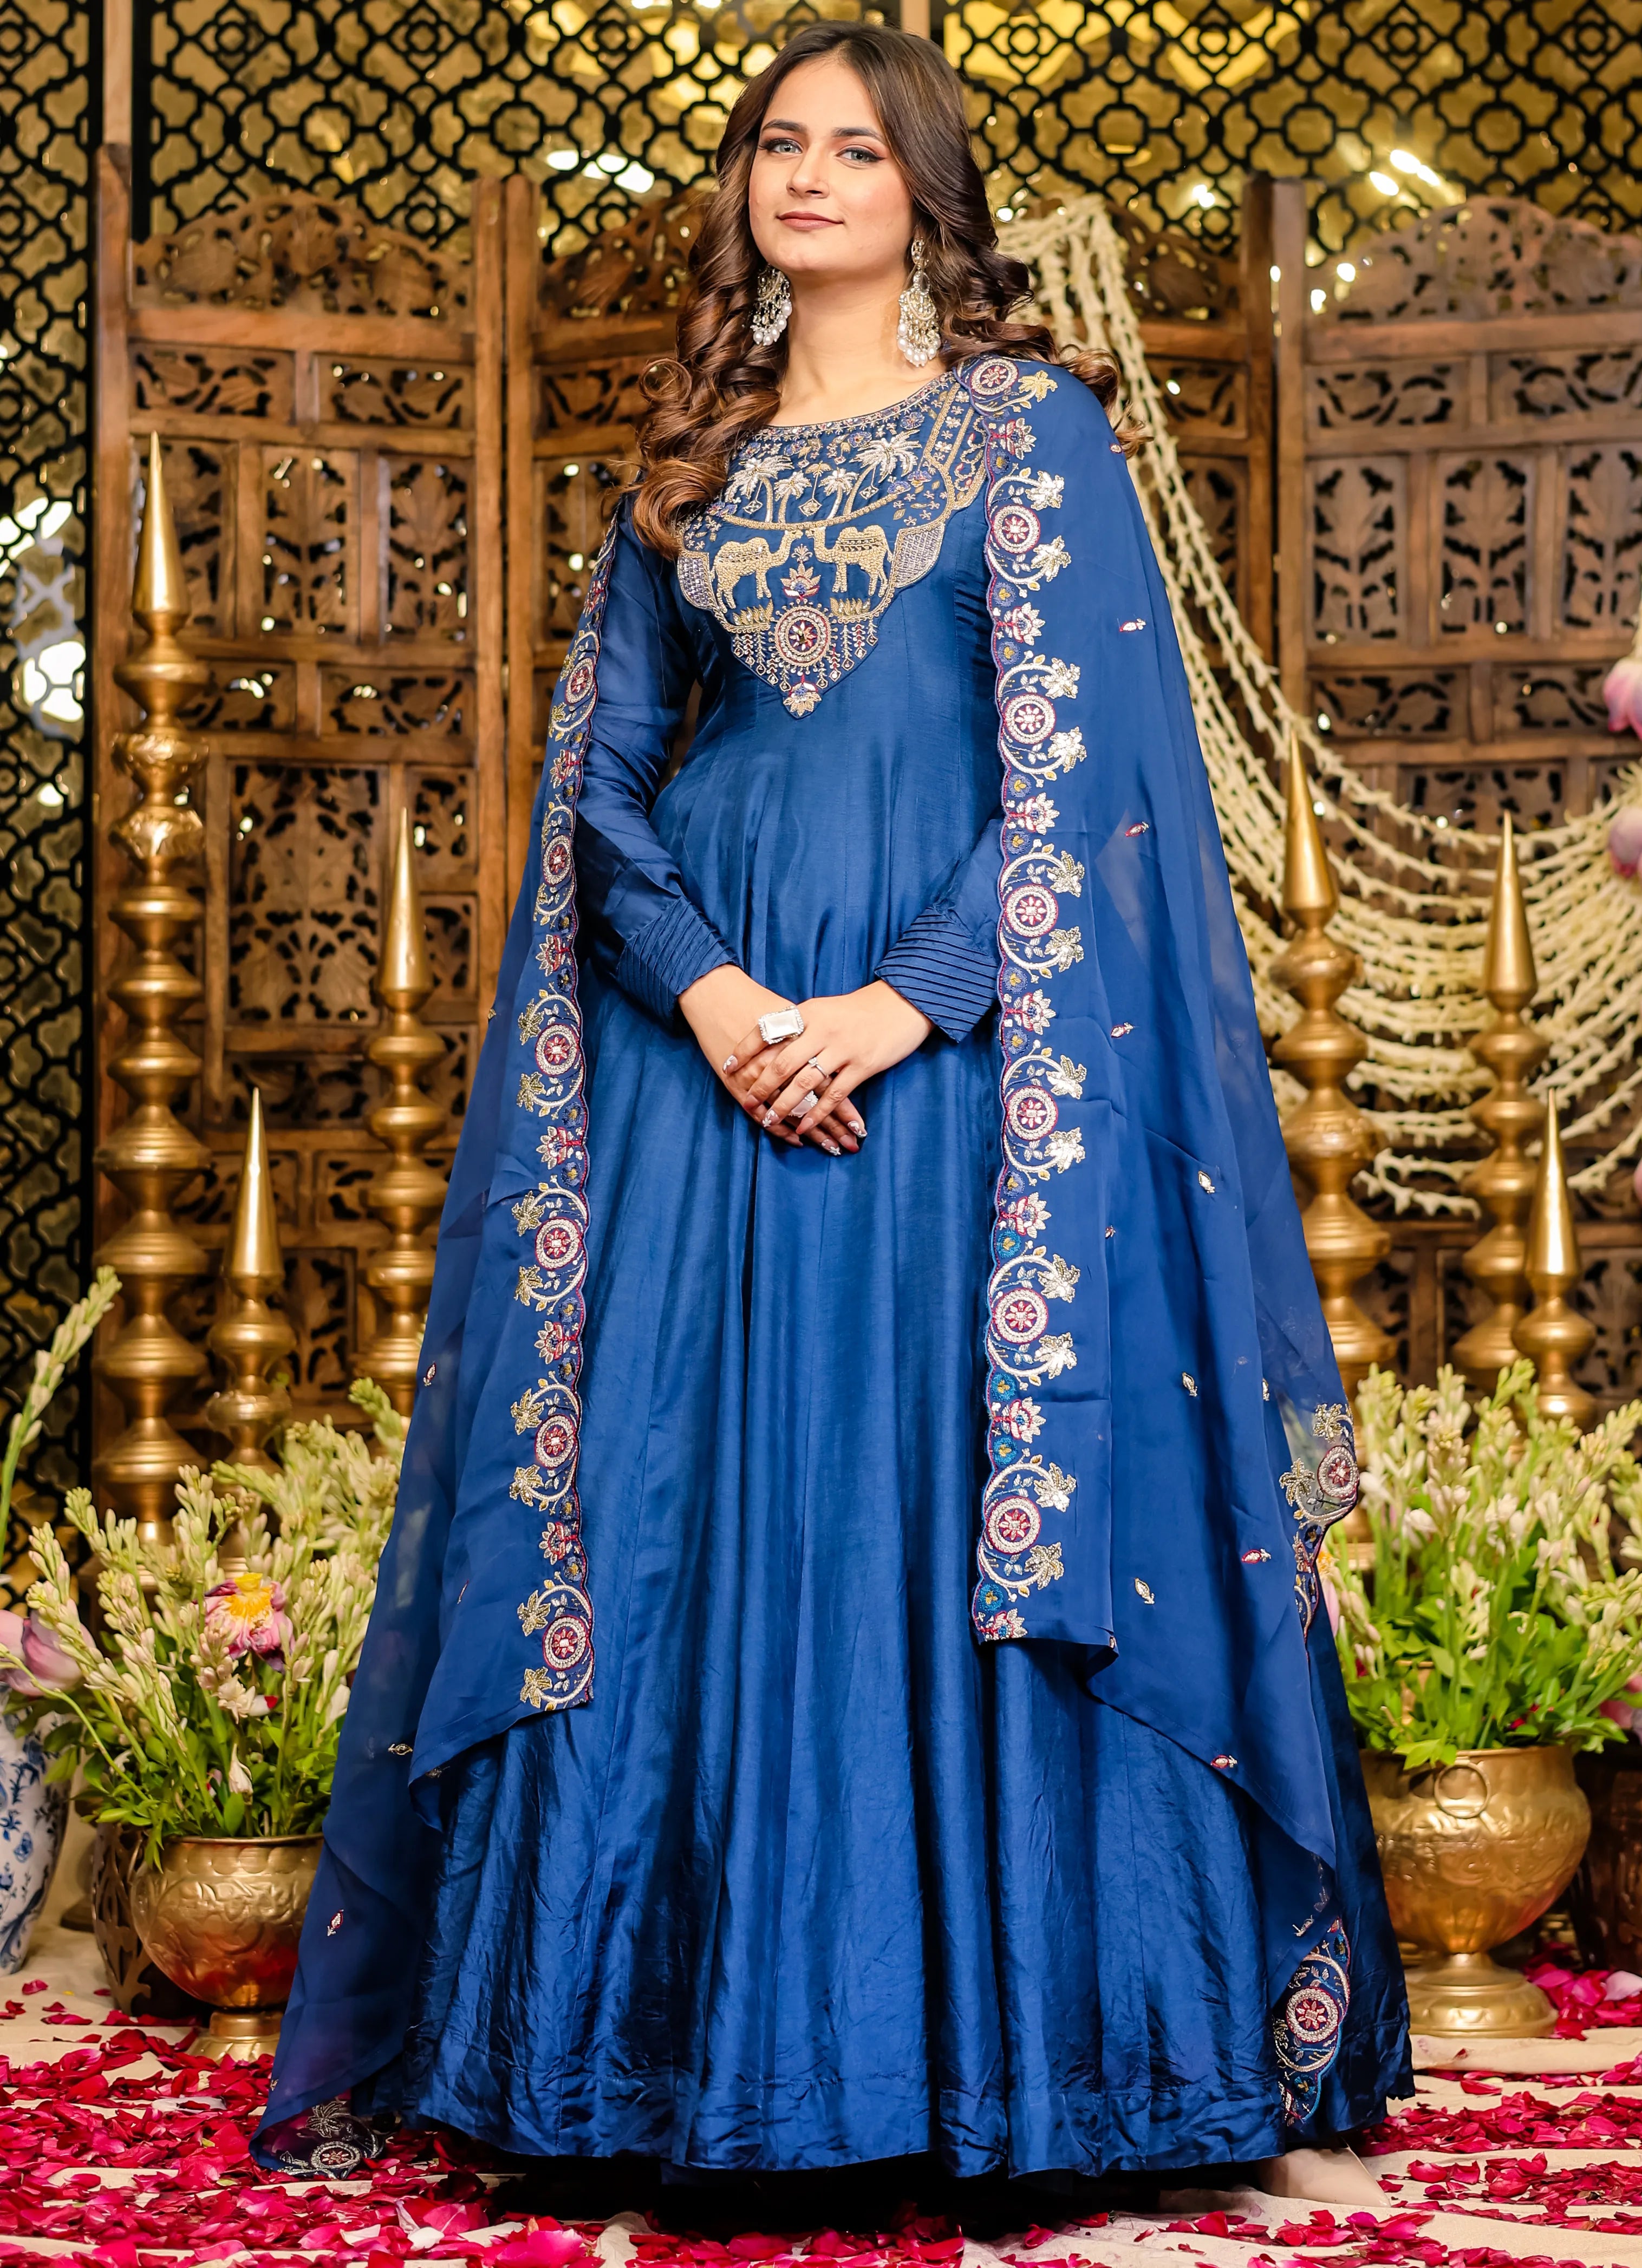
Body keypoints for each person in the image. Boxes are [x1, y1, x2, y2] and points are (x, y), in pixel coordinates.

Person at [255, 21, 1409, 2206]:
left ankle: (996, 2072)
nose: (807, 176)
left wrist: (896, 1004)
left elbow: (1091, 780)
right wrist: (713, 998)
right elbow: (602, 782)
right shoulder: (685, 459)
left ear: (923, 191)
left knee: (922, 1500)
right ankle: (642, 2066)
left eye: (854, 149)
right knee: (670, 1509)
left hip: (953, 1094)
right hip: (701, 1079)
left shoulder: (1029, 435)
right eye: (778, 144)